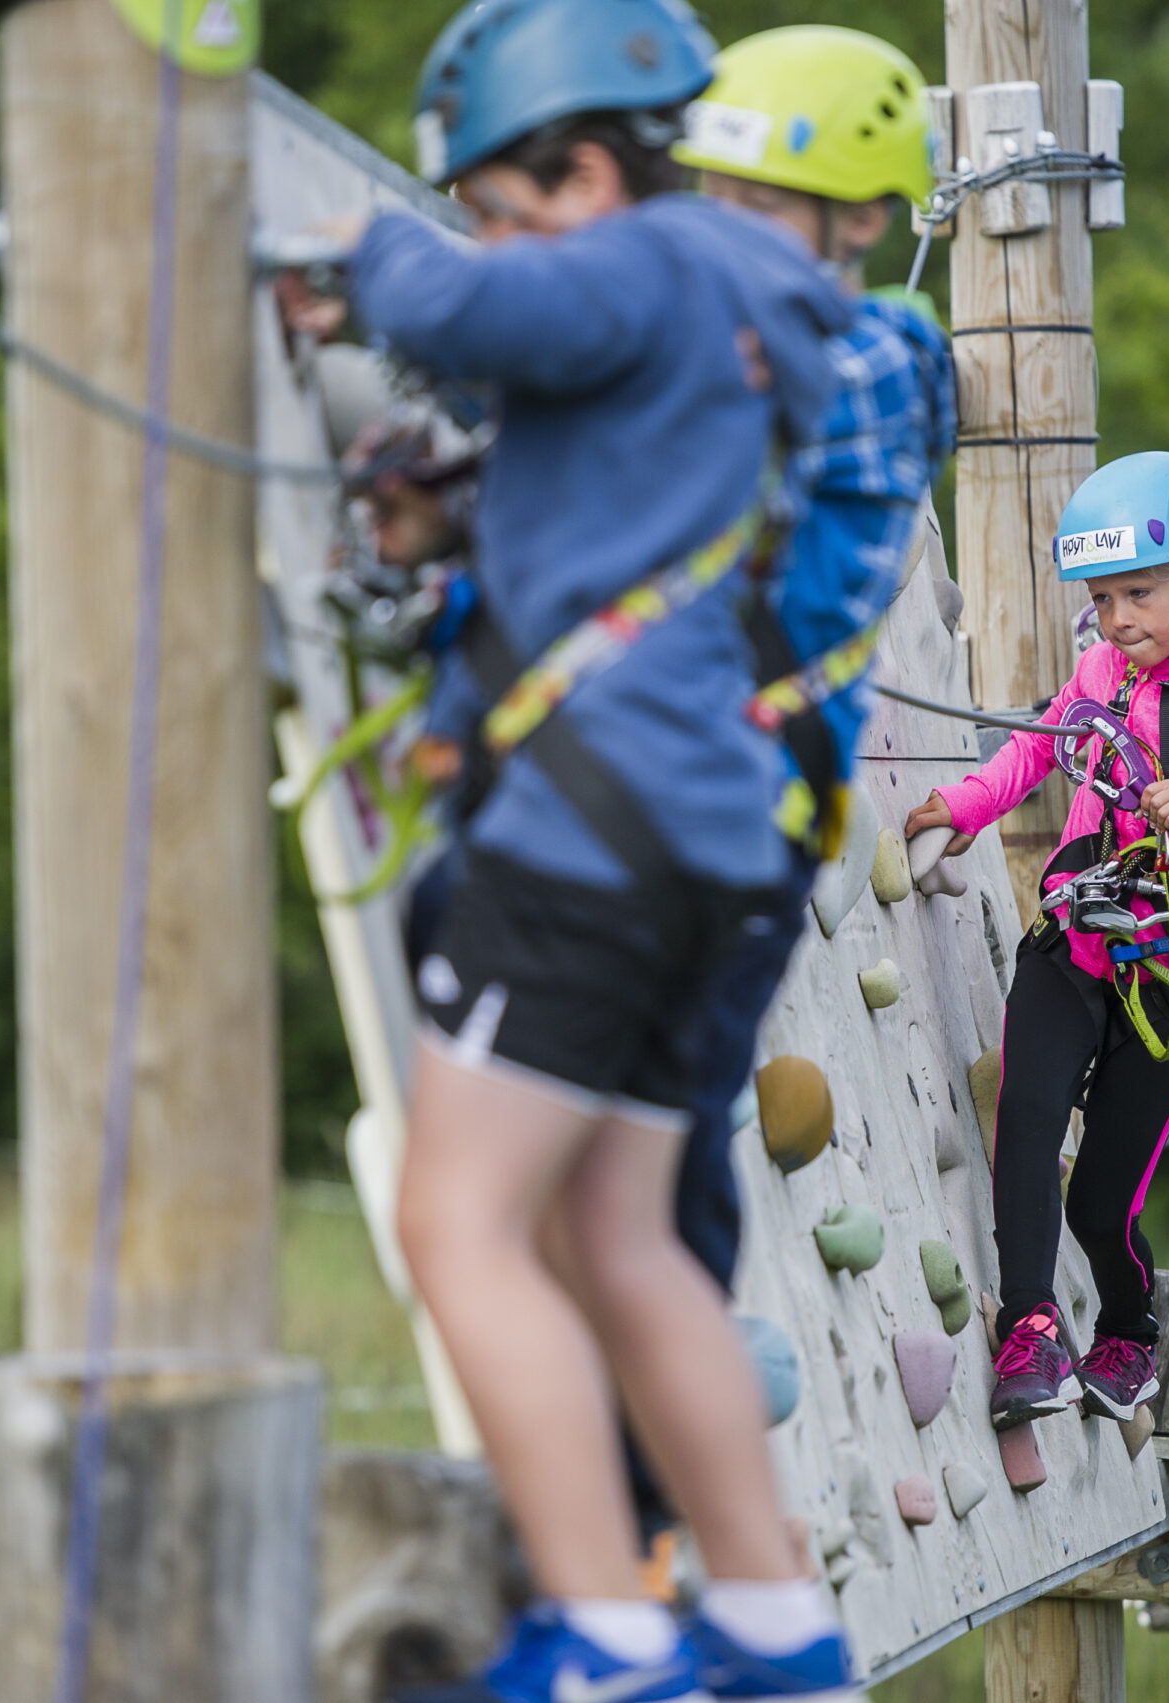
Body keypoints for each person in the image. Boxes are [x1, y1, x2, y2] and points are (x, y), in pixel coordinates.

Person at [343, 0, 866, 1698]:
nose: (487, 237)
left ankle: (608, 1630)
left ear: (580, 170)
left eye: (500, 200)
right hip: (701, 845)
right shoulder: (748, 304)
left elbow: (443, 301)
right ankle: (775, 1616)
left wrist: (346, 242)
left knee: (460, 1225)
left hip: (581, 846)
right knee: (618, 1238)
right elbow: (601, 491)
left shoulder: (643, 257)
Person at [660, 19, 956, 1341]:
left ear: (862, 222)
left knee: (663, 1162)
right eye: (714, 194)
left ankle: (678, 1500)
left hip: (759, 801)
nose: (728, 226)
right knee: (632, 1152)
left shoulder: (877, 357)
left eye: (765, 202)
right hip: (689, 793)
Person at [904, 452, 1169, 1432]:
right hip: (1076, 939)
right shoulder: (1101, 672)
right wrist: (956, 803)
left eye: (1140, 594)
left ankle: (1129, 1326)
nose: (1120, 618)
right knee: (1027, 1125)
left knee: (1101, 1203)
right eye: (1103, 597)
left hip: (1167, 974)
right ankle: (1030, 1329)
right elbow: (1034, 747)